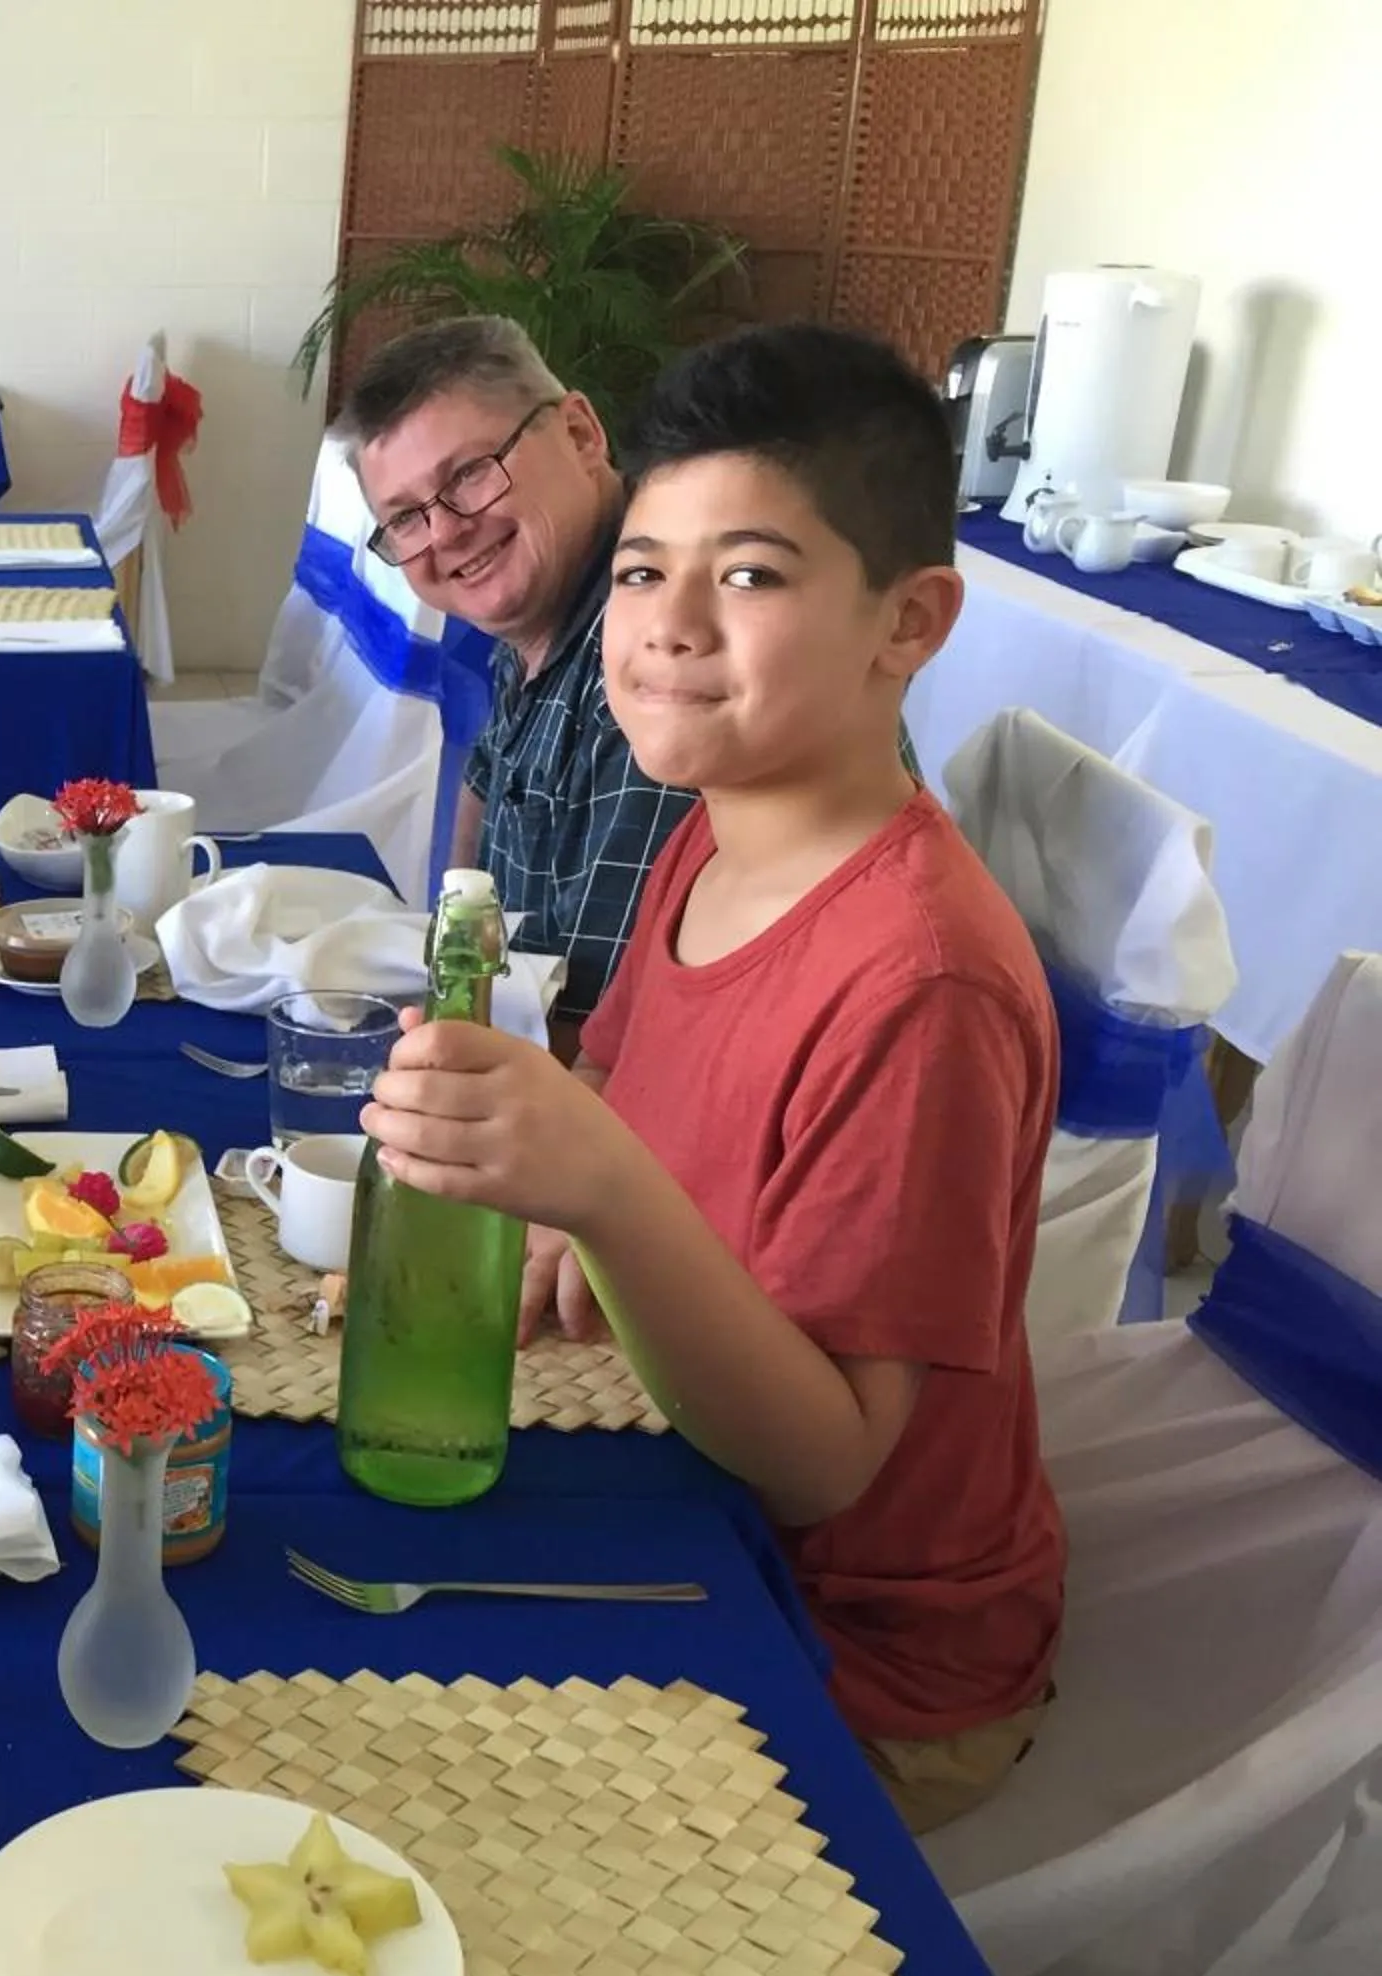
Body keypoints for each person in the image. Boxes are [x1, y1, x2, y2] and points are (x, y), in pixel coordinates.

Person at [359, 324, 1062, 1834]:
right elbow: (622, 1090)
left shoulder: (919, 980)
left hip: (848, 1651)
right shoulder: (715, 822)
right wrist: (556, 1215)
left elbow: (825, 1467)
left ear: (909, 620)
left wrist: (599, 1192)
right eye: (640, 569)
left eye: (749, 573)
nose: (667, 624)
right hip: (686, 1480)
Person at [342, 315, 693, 1045]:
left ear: (580, 434)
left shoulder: (658, 655)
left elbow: (610, 1041)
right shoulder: (539, 621)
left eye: (469, 474)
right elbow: (471, 877)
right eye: (405, 518)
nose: (443, 534)